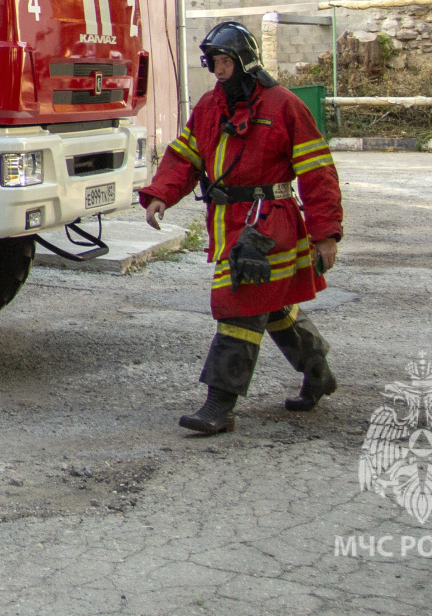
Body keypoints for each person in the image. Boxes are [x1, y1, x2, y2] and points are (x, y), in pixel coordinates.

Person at [139, 22, 345, 435]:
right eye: (213, 63)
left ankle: (219, 406)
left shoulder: (284, 105)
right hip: (228, 223)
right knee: (272, 308)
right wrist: (161, 192)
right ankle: (318, 373)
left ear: (245, 62)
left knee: (239, 305)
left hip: (269, 223)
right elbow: (185, 156)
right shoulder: (210, 107)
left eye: (224, 63)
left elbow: (318, 173)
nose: (218, 72)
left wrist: (325, 235)